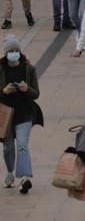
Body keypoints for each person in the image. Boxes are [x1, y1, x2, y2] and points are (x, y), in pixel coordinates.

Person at [0, 34, 42, 194]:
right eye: (11, 50)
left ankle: (25, 178)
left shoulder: (29, 69)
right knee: (8, 148)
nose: (14, 52)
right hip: (6, 114)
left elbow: (36, 93)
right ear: (6, 52)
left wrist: (27, 89)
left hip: (24, 113)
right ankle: (10, 173)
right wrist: (3, 91)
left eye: (16, 50)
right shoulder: (1, 69)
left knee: (22, 145)